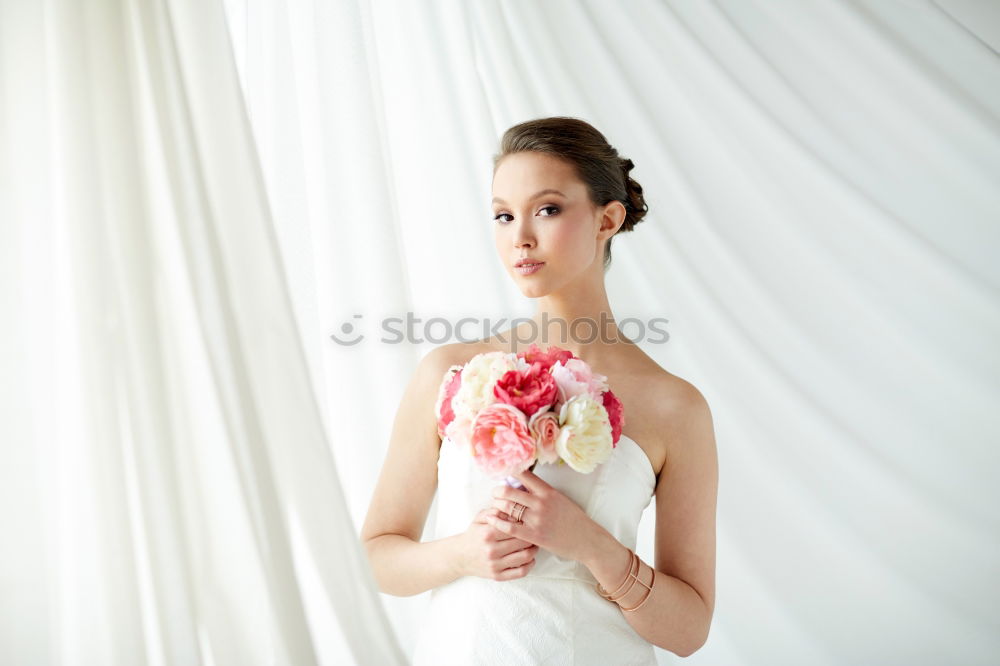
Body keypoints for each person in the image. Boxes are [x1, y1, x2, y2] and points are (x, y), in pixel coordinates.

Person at [361, 116, 718, 664]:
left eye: (547, 209)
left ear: (609, 218)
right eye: (504, 215)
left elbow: (688, 630)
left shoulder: (674, 406)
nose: (520, 237)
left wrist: (596, 549)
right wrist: (461, 554)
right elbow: (375, 556)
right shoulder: (451, 372)